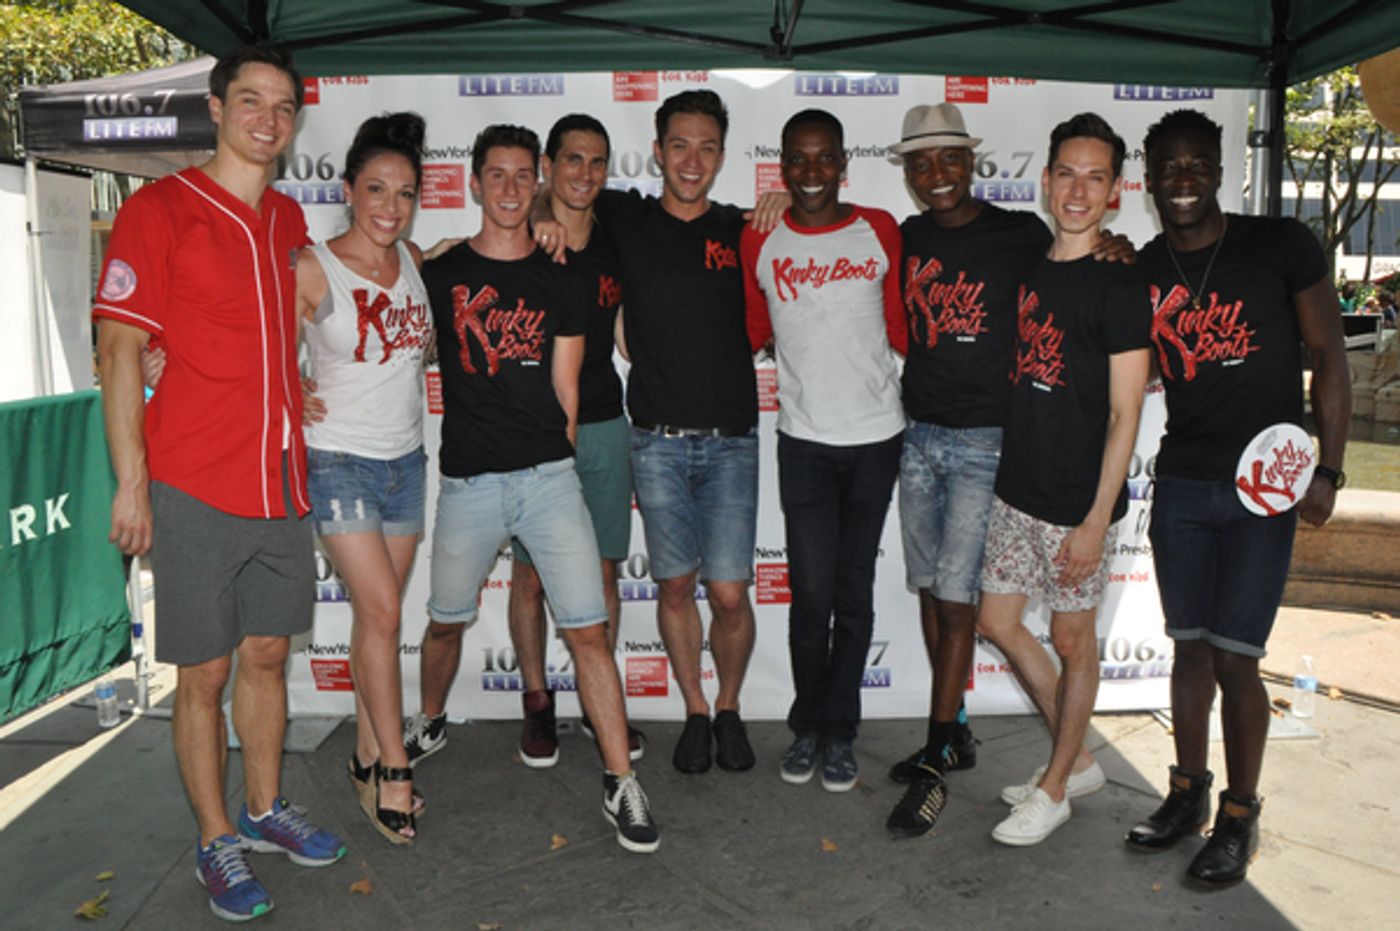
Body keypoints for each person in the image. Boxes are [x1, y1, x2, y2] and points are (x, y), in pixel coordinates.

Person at [94, 45, 344, 922]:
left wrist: (289, 383)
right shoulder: (156, 210)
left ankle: (266, 806)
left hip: (281, 482)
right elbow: (121, 349)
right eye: (250, 100)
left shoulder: (285, 221)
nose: (267, 118)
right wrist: (133, 483)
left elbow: (283, 324)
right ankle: (214, 837)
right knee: (200, 674)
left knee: (267, 655)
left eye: (282, 105)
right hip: (193, 481)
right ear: (215, 106)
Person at [875, 103, 1132, 837]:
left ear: (973, 161)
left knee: (966, 602)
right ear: (909, 173)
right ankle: (954, 729)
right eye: (921, 162)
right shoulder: (910, 235)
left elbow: (1083, 261)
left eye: (949, 158)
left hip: (990, 443)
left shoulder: (1021, 234)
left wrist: (1118, 244)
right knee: (938, 593)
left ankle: (939, 756)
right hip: (918, 434)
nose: (937, 174)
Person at [406, 125, 659, 853]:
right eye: (498, 175)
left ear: (535, 179)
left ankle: (620, 781)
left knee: (588, 630)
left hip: (549, 477)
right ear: (475, 182)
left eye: (524, 175)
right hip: (469, 481)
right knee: (446, 622)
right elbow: (387, 333)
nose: (512, 188)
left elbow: (568, 389)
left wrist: (562, 473)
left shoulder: (565, 276)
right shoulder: (442, 276)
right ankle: (429, 717)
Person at [1126, 109, 1350, 885]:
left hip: (1265, 487)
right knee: (1188, 646)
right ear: (1149, 177)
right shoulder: (1144, 266)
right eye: (1168, 168)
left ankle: (1241, 812)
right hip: (1182, 482)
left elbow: (1328, 355)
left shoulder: (1280, 245)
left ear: (1218, 169)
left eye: (1196, 165)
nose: (1183, 181)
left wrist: (1330, 468)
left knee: (1236, 657)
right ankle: (1187, 792)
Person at [538, 90, 760, 775]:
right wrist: (543, 219)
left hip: (732, 439)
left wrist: (777, 207)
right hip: (656, 439)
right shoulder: (627, 216)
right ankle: (695, 708)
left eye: (708, 147)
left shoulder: (740, 227)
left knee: (727, 592)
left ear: (722, 155)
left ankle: (729, 704)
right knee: (672, 587)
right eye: (680, 146)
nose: (693, 161)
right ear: (659, 151)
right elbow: (558, 191)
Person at [974, 112, 1151, 846]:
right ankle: (1074, 759)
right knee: (999, 622)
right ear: (1046, 180)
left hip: (1080, 503)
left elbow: (1126, 413)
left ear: (1115, 191)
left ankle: (1055, 788)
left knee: (1075, 642)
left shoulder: (1121, 283)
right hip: (1017, 490)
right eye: (1068, 174)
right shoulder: (1024, 259)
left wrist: (1094, 517)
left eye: (1096, 177)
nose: (1080, 190)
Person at [740, 109, 906, 792]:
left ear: (844, 162)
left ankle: (840, 730)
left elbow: (901, 325)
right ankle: (807, 722)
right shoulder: (761, 240)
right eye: (798, 159)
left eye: (824, 157)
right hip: (803, 442)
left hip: (876, 439)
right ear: (783, 165)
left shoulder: (881, 229)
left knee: (854, 593)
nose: (811, 172)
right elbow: (754, 329)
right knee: (809, 594)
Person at [297, 113, 434, 844]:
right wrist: (291, 392)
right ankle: (394, 768)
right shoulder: (312, 266)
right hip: (339, 459)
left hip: (407, 464)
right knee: (381, 613)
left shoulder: (410, 257)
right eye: (376, 189)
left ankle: (360, 751)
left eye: (405, 191)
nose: (390, 204)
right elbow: (252, 341)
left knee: (376, 621)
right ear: (349, 189)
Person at [504, 114, 645, 768]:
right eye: (571, 161)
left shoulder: (618, 230)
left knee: (605, 570)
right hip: (534, 429)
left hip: (604, 424)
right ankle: (537, 702)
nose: (584, 173)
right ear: (549, 166)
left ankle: (600, 701)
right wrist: (532, 213)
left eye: (596, 161)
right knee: (531, 576)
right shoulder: (521, 236)